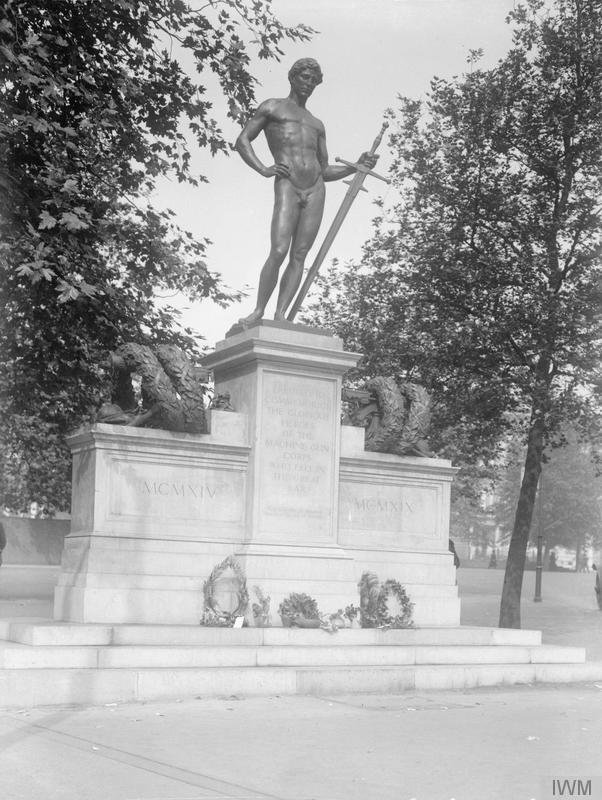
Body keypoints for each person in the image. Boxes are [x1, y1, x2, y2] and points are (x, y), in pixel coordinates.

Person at [234, 58, 378, 326]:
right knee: (278, 250)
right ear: (292, 77)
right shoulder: (272, 107)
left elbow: (324, 169)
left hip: (315, 188)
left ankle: (281, 316)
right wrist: (264, 169)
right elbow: (242, 140)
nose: (309, 84)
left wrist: (356, 167)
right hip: (287, 184)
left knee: (299, 255)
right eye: (305, 78)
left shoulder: (316, 123)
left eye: (314, 80)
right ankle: (258, 311)